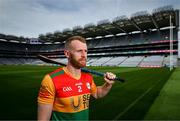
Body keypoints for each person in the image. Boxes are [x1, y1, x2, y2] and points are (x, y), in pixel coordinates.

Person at [37, 36, 116, 121]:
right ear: (67, 54)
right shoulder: (51, 80)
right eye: (79, 51)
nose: (84, 55)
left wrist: (108, 84)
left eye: (85, 51)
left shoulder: (88, 77)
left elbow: (97, 94)